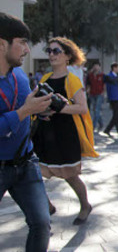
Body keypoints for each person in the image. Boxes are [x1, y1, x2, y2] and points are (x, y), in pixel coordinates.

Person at [0, 13, 53, 251]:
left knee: (42, 224)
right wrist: (23, 112)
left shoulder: (20, 74)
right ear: (2, 44)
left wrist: (40, 110)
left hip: (26, 162)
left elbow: (24, 108)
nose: (27, 50)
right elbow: (20, 111)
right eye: (22, 42)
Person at [32, 37, 98, 226]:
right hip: (44, 133)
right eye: (49, 51)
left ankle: (85, 206)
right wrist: (41, 110)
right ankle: (48, 206)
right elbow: (38, 104)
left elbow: (82, 108)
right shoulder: (44, 79)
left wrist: (59, 108)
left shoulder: (73, 80)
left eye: (56, 51)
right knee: (36, 173)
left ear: (67, 56)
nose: (51, 54)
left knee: (70, 176)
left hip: (65, 134)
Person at [103, 62, 118, 139]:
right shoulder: (109, 76)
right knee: (116, 115)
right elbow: (113, 81)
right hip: (113, 98)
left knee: (116, 115)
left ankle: (107, 129)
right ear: (114, 68)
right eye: (117, 67)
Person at [86, 62, 105, 132]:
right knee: (94, 110)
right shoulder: (90, 75)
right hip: (92, 94)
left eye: (97, 66)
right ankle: (101, 123)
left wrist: (104, 93)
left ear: (100, 67)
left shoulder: (102, 75)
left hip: (99, 94)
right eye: (95, 66)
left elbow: (105, 84)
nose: (96, 67)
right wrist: (88, 90)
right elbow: (88, 84)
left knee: (97, 110)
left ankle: (93, 126)